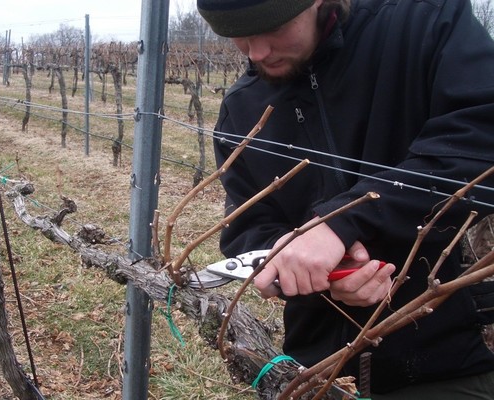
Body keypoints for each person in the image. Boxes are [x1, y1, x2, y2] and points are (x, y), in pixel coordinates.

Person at [197, 0, 494, 398]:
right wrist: (302, 270)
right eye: (238, 37)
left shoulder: (423, 21)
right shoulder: (243, 110)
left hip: (456, 360)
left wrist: (344, 222)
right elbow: (248, 227)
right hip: (320, 368)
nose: (257, 53)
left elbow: (479, 140)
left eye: (273, 28)